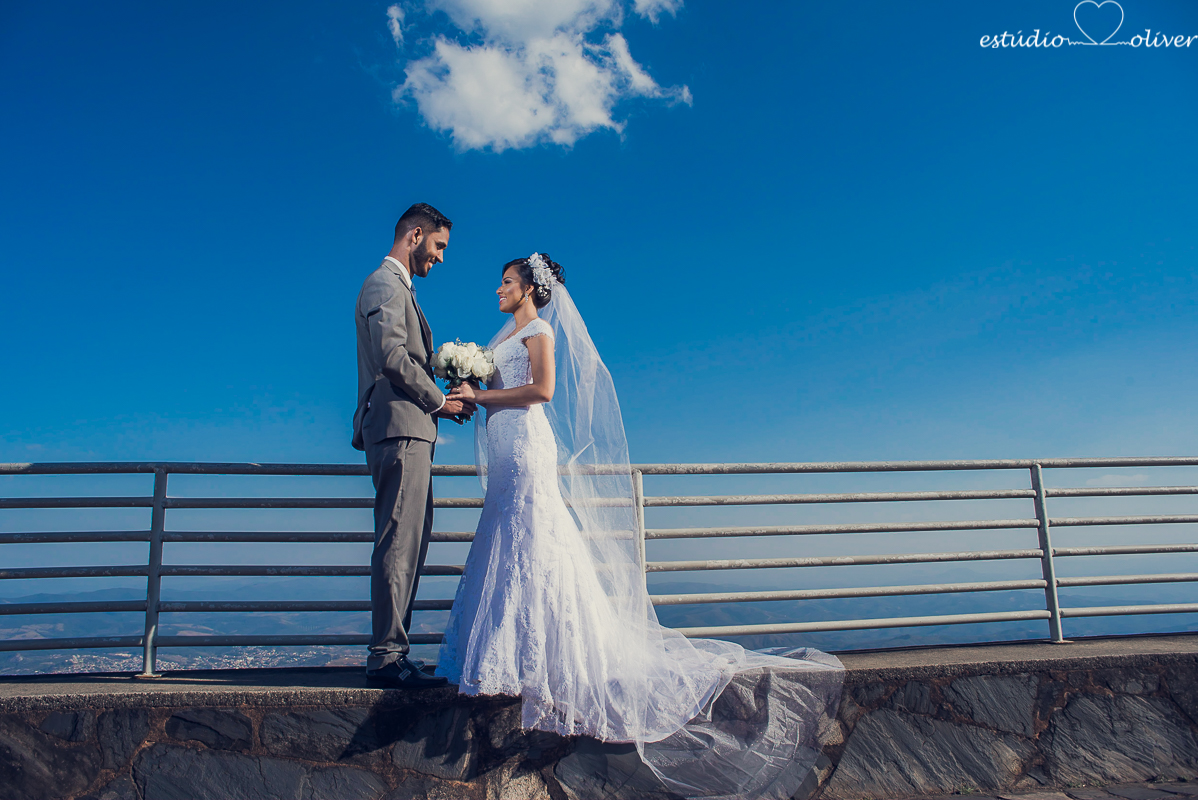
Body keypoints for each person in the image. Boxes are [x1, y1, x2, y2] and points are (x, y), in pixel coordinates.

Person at [439, 253, 844, 800]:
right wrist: (469, 393)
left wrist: (480, 394)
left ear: (531, 289)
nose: (498, 290)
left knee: (534, 539)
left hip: (528, 443)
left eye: (506, 282)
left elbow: (543, 392)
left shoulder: (538, 331)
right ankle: (504, 657)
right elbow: (504, 390)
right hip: (505, 443)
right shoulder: (503, 338)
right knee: (505, 541)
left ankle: (546, 658)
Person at [352, 202, 474, 689]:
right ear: (416, 235)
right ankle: (385, 655)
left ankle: (393, 651)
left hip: (410, 430)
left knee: (410, 540)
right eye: (439, 246)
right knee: (399, 540)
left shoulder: (401, 288)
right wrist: (438, 400)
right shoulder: (383, 283)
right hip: (401, 429)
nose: (441, 257)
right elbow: (391, 355)